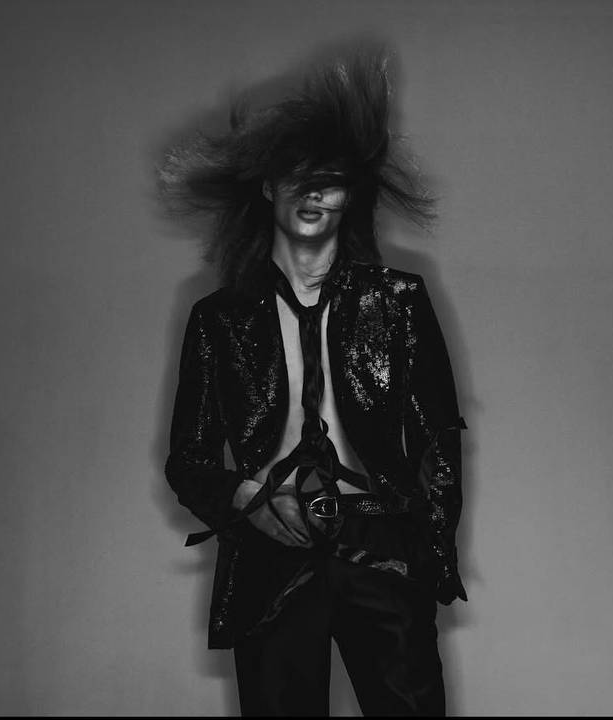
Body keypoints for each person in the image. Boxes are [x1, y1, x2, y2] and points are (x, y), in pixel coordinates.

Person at [159, 50, 468, 717]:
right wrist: (245, 498)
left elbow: (439, 440)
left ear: (351, 193)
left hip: (381, 546)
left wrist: (431, 557)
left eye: (330, 180)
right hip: (269, 551)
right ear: (267, 187)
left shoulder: (399, 302)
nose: (313, 193)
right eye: (296, 176)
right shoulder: (219, 319)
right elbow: (186, 461)